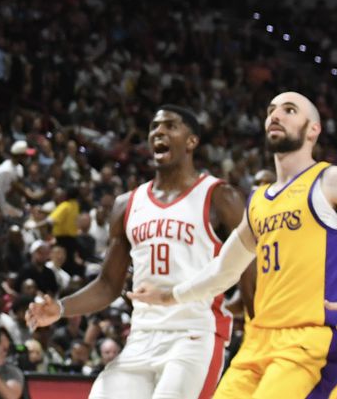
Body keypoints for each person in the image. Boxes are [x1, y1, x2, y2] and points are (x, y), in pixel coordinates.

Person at [131, 91, 337, 399]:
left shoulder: (334, 181)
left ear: (313, 129)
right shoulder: (259, 200)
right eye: (271, 110)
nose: (276, 116)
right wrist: (168, 296)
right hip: (257, 342)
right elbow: (224, 271)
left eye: (289, 110)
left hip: (310, 343)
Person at [27, 106, 252, 399]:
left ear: (191, 141)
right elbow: (109, 284)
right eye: (154, 128)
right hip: (141, 337)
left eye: (170, 126)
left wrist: (247, 314)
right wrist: (60, 308)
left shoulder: (221, 196)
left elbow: (253, 264)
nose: (159, 132)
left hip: (194, 335)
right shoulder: (127, 204)